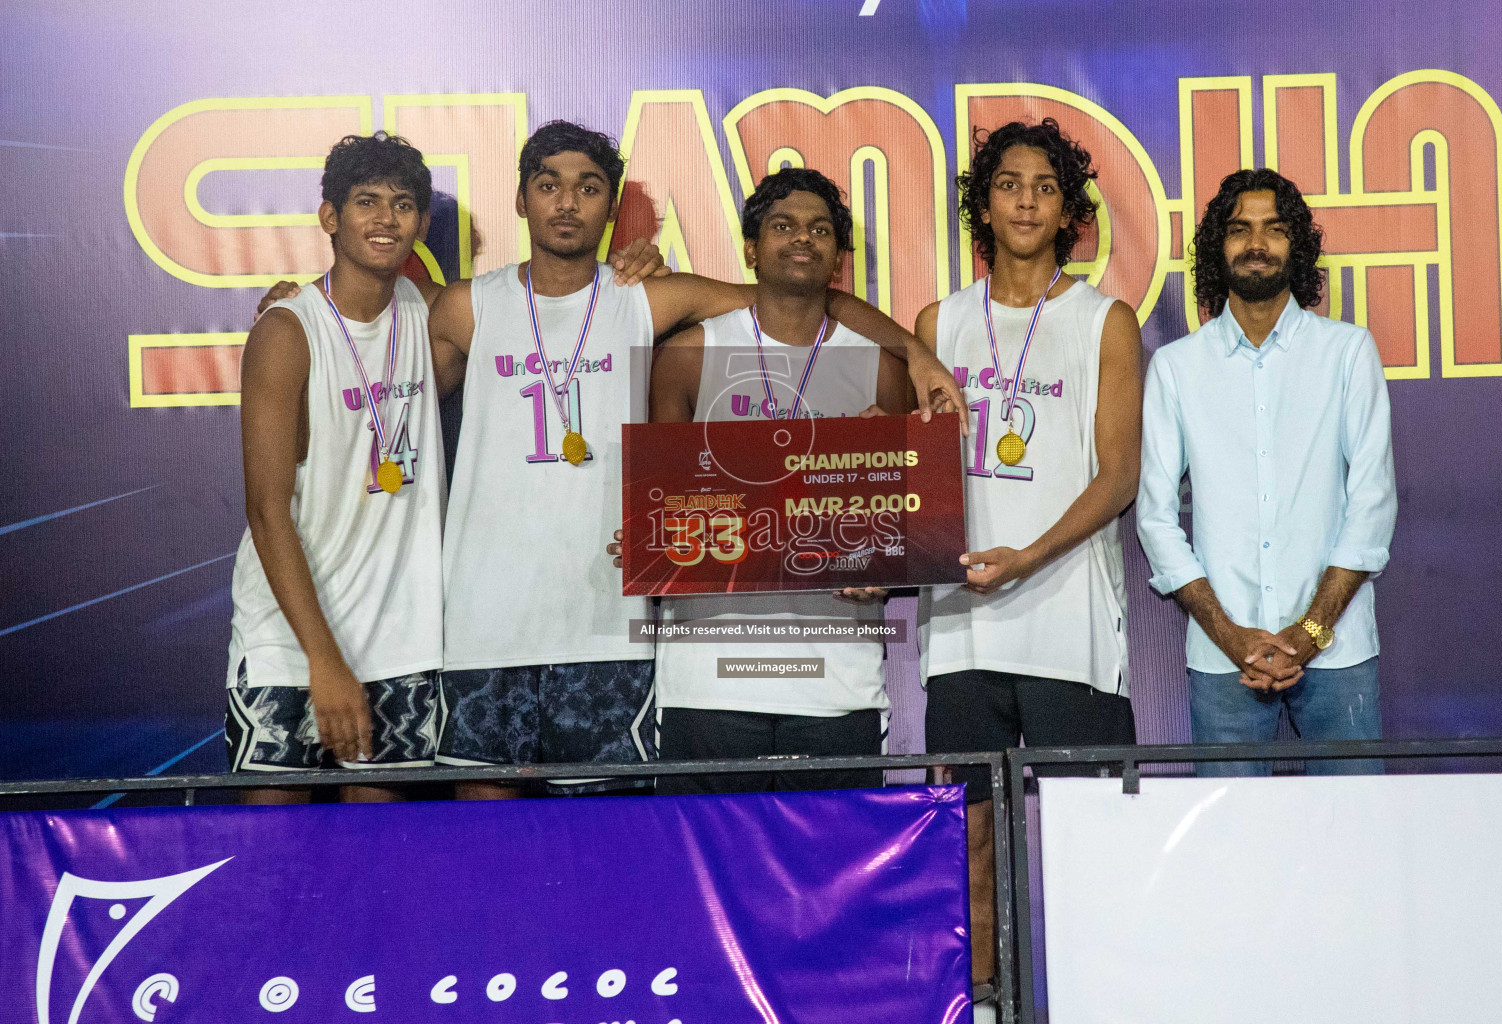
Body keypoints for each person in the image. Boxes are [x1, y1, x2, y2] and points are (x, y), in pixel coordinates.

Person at [428, 122, 965, 797]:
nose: (567, 202)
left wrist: (914, 352)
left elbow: (798, 298)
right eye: (548, 185)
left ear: (610, 204)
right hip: (487, 623)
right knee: (484, 836)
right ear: (520, 198)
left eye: (587, 187)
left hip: (607, 631)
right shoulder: (463, 307)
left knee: (609, 849)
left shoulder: (648, 300)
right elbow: (382, 381)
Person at [915, 120, 1144, 983]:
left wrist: (1030, 556)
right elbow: (910, 476)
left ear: (1067, 209)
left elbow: (1118, 476)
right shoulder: (940, 320)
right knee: (970, 831)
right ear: (984, 201)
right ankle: (982, 999)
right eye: (1008, 182)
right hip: (963, 630)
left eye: (1044, 186)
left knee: (1092, 833)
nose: (1024, 199)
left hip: (1069, 625)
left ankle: (1105, 995)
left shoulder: (1104, 322)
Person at [636, 167, 912, 794]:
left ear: (838, 258)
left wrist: (881, 566)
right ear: (751, 248)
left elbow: (899, 529)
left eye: (820, 230)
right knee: (708, 880)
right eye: (783, 226)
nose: (802, 240)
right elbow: (664, 506)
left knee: (829, 884)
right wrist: (648, 542)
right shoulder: (689, 355)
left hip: (837, 679)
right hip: (707, 676)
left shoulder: (880, 371)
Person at [1138, 167, 1396, 777]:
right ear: (1217, 248)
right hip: (1222, 658)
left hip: (1339, 651)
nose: (1256, 244)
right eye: (1239, 229)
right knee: (1232, 854)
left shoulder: (1347, 352)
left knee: (1358, 841)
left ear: (1296, 246)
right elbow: (1154, 518)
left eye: (1274, 230)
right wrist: (1231, 637)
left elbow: (1372, 505)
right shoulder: (1177, 368)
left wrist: (1309, 632)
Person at [226, 132, 445, 800]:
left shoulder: (434, 312)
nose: (385, 218)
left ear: (422, 223)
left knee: (381, 873)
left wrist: (640, 261)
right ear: (331, 217)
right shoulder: (287, 331)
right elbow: (267, 512)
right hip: (288, 649)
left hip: (401, 645)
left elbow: (551, 301)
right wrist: (324, 660)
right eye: (366, 201)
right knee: (268, 861)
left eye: (402, 203)